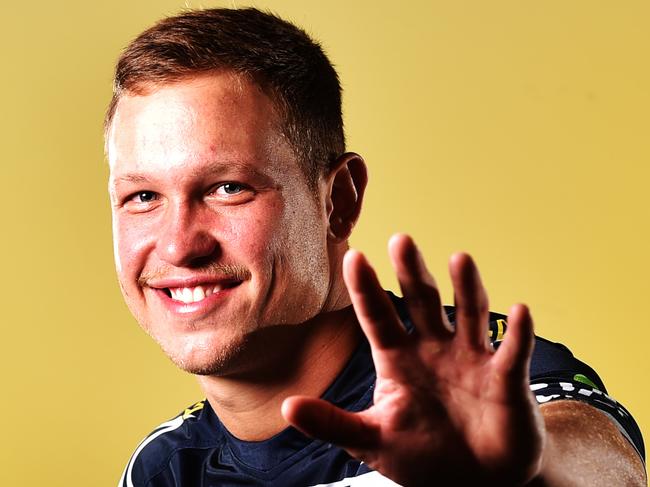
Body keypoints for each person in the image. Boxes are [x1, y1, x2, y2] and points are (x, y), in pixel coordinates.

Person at [105, 7, 645, 487]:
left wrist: (522, 473)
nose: (179, 244)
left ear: (337, 199)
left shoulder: (479, 385)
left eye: (228, 188)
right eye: (142, 195)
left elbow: (599, 461)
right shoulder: (164, 467)